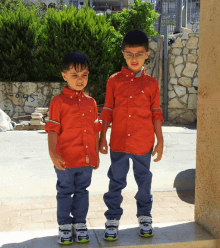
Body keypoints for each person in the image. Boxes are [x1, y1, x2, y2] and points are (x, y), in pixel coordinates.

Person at [99, 30, 164, 241]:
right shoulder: (114, 81)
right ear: (123, 54)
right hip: (118, 142)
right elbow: (107, 109)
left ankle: (145, 216)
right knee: (116, 181)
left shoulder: (152, 84)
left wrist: (160, 140)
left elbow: (156, 113)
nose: (133, 58)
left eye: (138, 53)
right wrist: (102, 136)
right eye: (129, 54)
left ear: (147, 54)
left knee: (144, 181)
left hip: (143, 143)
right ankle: (112, 219)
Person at [45, 52, 103, 245]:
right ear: (64, 76)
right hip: (65, 161)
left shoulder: (91, 102)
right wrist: (53, 154)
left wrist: (95, 154)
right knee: (64, 192)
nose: (80, 79)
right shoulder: (58, 102)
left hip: (86, 161)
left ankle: (79, 223)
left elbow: (95, 130)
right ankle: (64, 226)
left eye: (84, 75)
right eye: (74, 75)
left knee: (82, 192)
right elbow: (52, 129)